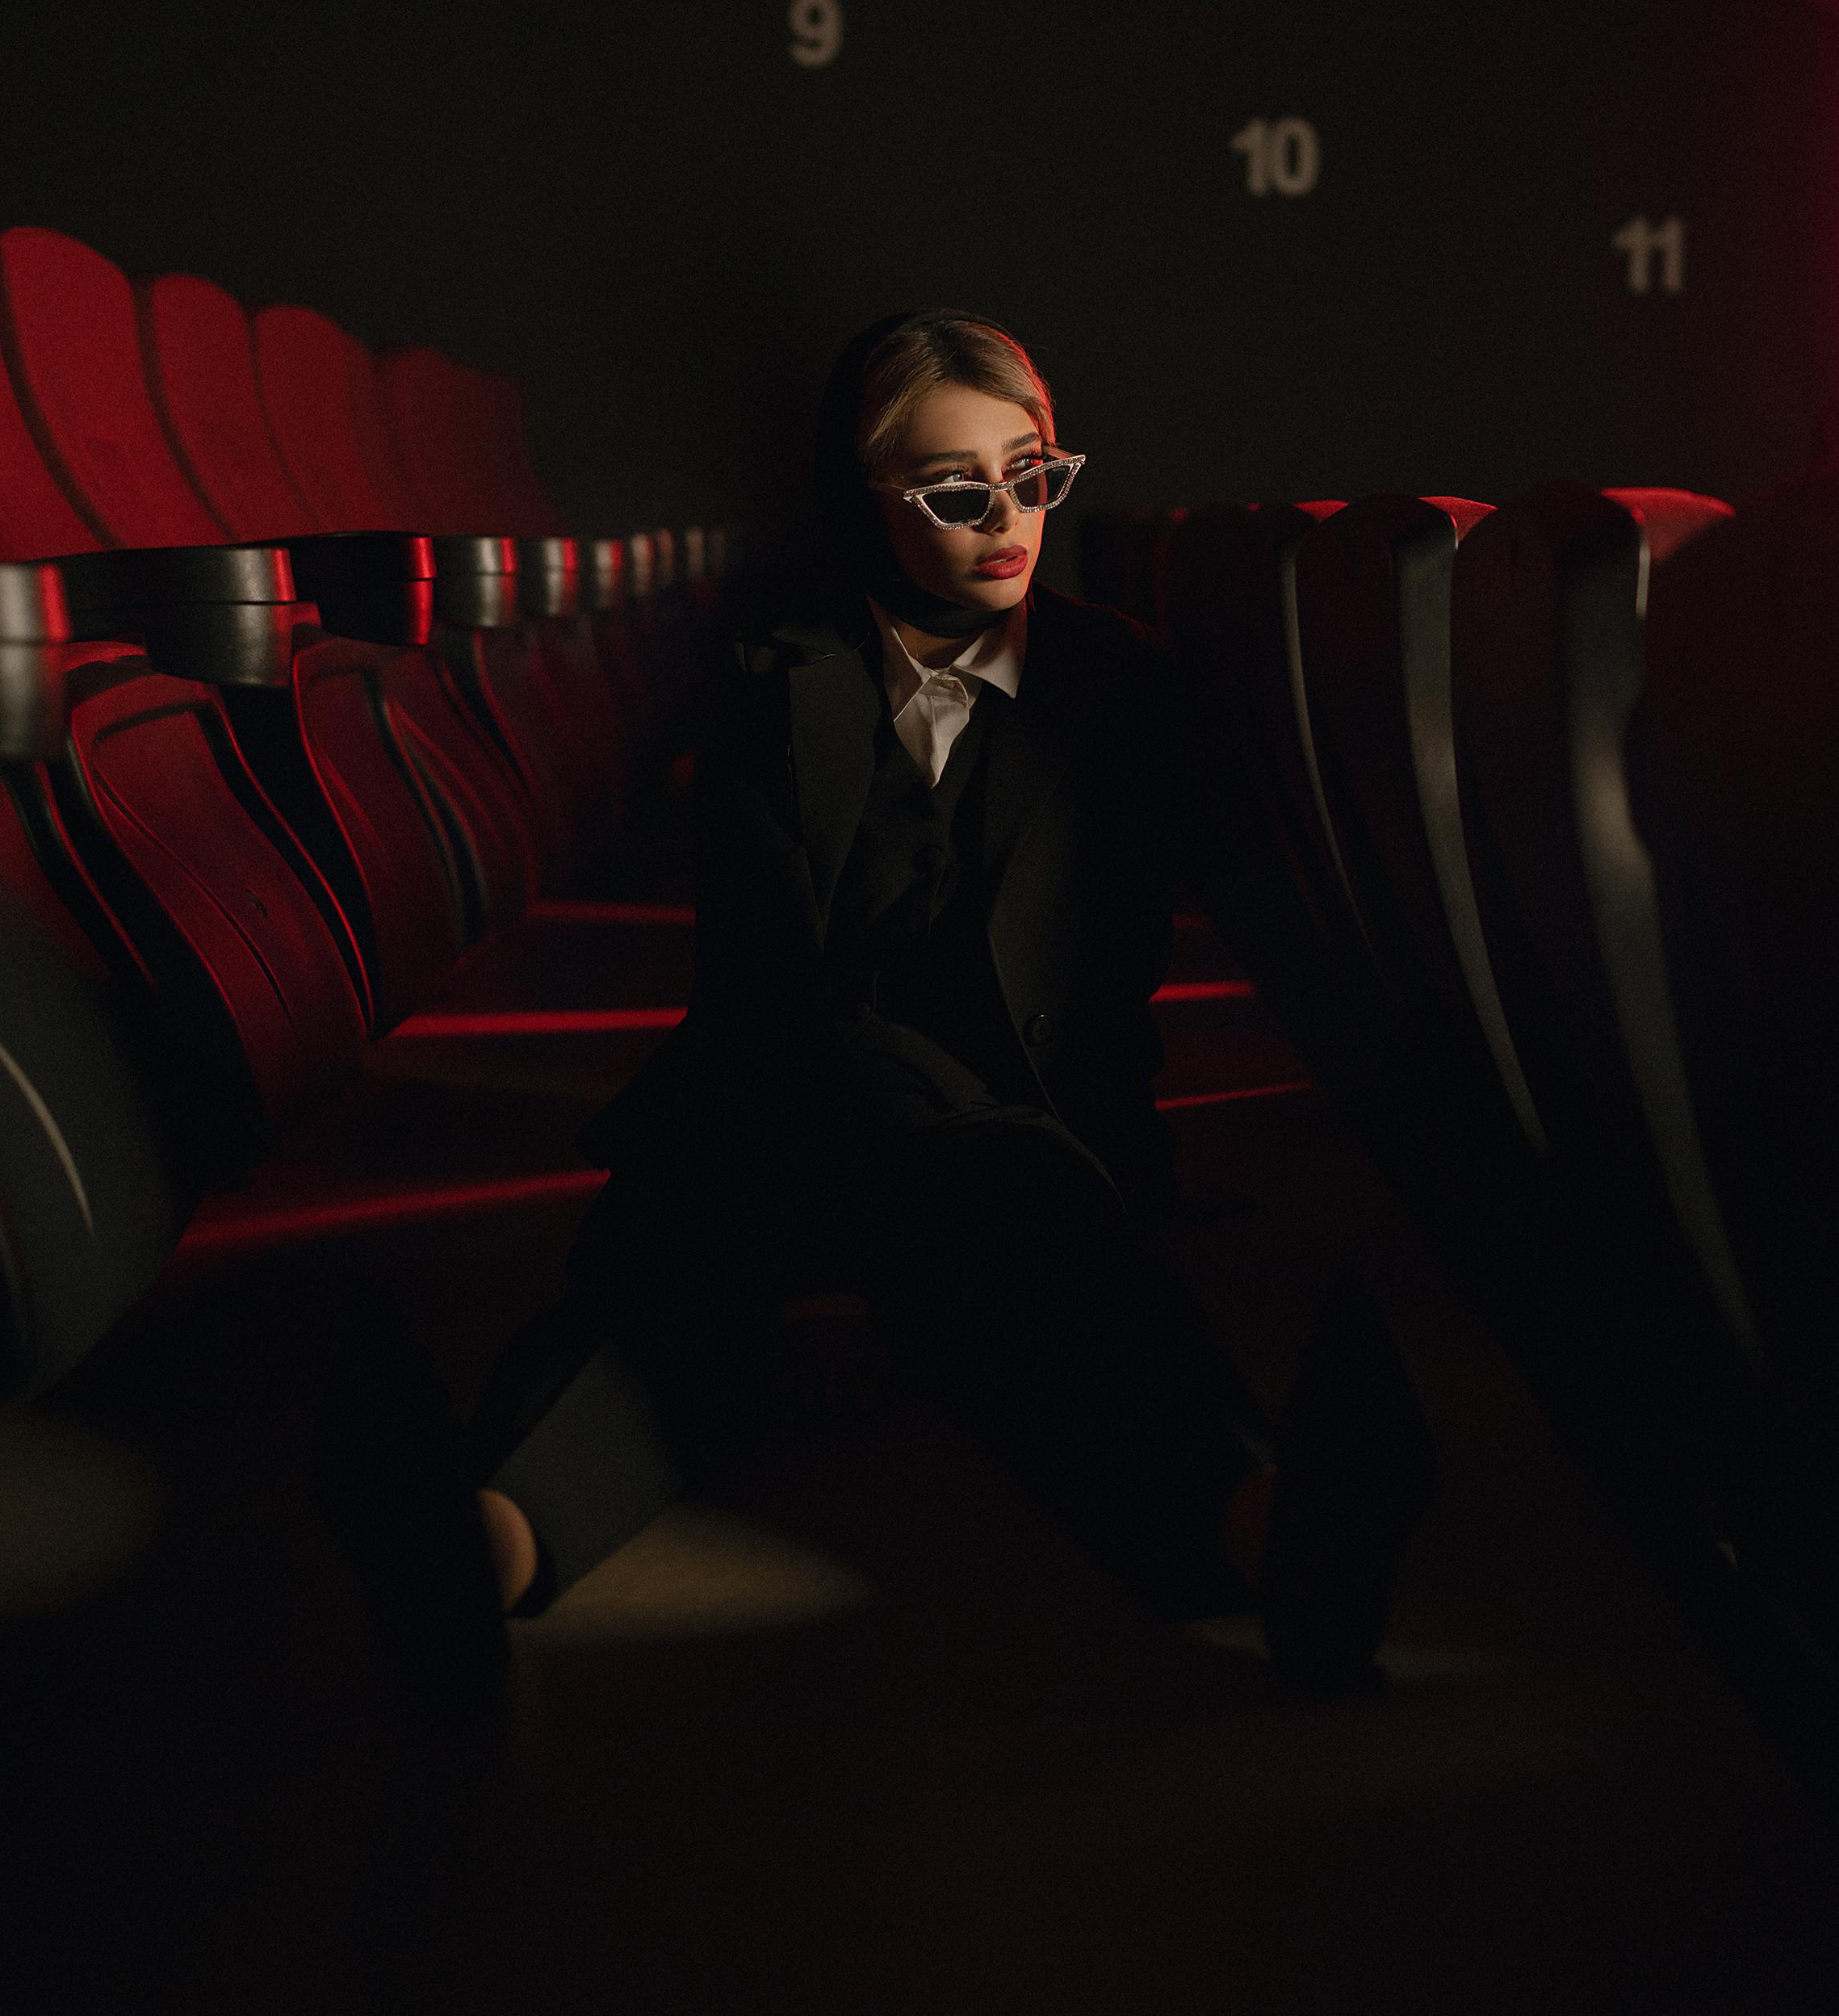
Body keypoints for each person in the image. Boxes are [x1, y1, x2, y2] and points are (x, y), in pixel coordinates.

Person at [471, 310, 1428, 1690]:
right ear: (861, 503)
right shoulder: (764, 677)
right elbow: (758, 999)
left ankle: (1267, 1528)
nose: (1008, 520)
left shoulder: (1122, 688)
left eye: (1032, 474)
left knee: (1052, 1291)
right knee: (675, 1295)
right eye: (953, 490)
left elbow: (1106, 1004)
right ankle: (482, 1539)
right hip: (784, 1118)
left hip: (1014, 1150)